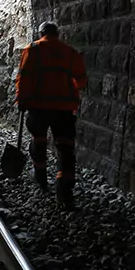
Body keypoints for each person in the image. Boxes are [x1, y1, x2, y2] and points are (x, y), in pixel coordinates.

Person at [15, 22, 88, 210]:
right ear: (58, 33)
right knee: (65, 148)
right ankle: (64, 191)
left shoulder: (33, 49)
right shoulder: (70, 52)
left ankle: (40, 176)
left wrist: (21, 100)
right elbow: (81, 80)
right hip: (64, 109)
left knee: (38, 140)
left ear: (41, 33)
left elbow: (24, 77)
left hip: (38, 107)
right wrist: (66, 87)